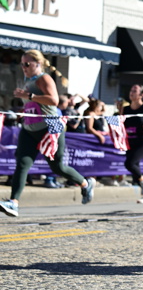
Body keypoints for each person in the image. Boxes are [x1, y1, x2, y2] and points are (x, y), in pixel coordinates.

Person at [0, 50, 95, 217]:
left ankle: (85, 183)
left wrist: (29, 95)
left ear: (38, 64)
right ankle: (13, 202)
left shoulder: (44, 78)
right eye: (21, 64)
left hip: (50, 128)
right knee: (22, 164)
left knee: (57, 167)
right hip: (29, 129)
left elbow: (54, 100)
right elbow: (34, 104)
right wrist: (25, 109)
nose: (23, 67)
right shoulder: (27, 81)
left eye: (27, 64)